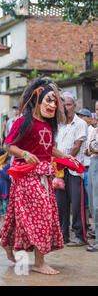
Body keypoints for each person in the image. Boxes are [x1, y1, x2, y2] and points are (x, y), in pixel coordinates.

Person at [1, 77, 72, 275]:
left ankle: (7, 243)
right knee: (43, 215)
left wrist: (65, 156)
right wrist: (23, 154)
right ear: (37, 100)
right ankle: (39, 263)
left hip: (45, 178)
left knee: (30, 218)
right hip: (26, 177)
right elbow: (7, 145)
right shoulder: (23, 122)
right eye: (49, 100)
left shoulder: (49, 126)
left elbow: (49, 150)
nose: (53, 105)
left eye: (54, 101)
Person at [55, 92, 89, 247]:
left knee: (77, 205)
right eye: (63, 105)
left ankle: (80, 236)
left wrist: (63, 160)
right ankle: (63, 235)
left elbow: (77, 146)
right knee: (61, 204)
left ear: (75, 106)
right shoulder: (59, 124)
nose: (66, 107)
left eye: (69, 104)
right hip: (60, 170)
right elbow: (54, 146)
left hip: (75, 169)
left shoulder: (80, 123)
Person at [85, 126, 98, 252]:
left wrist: (93, 148)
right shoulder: (94, 130)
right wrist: (92, 148)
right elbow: (89, 149)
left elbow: (93, 147)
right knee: (94, 205)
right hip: (93, 163)